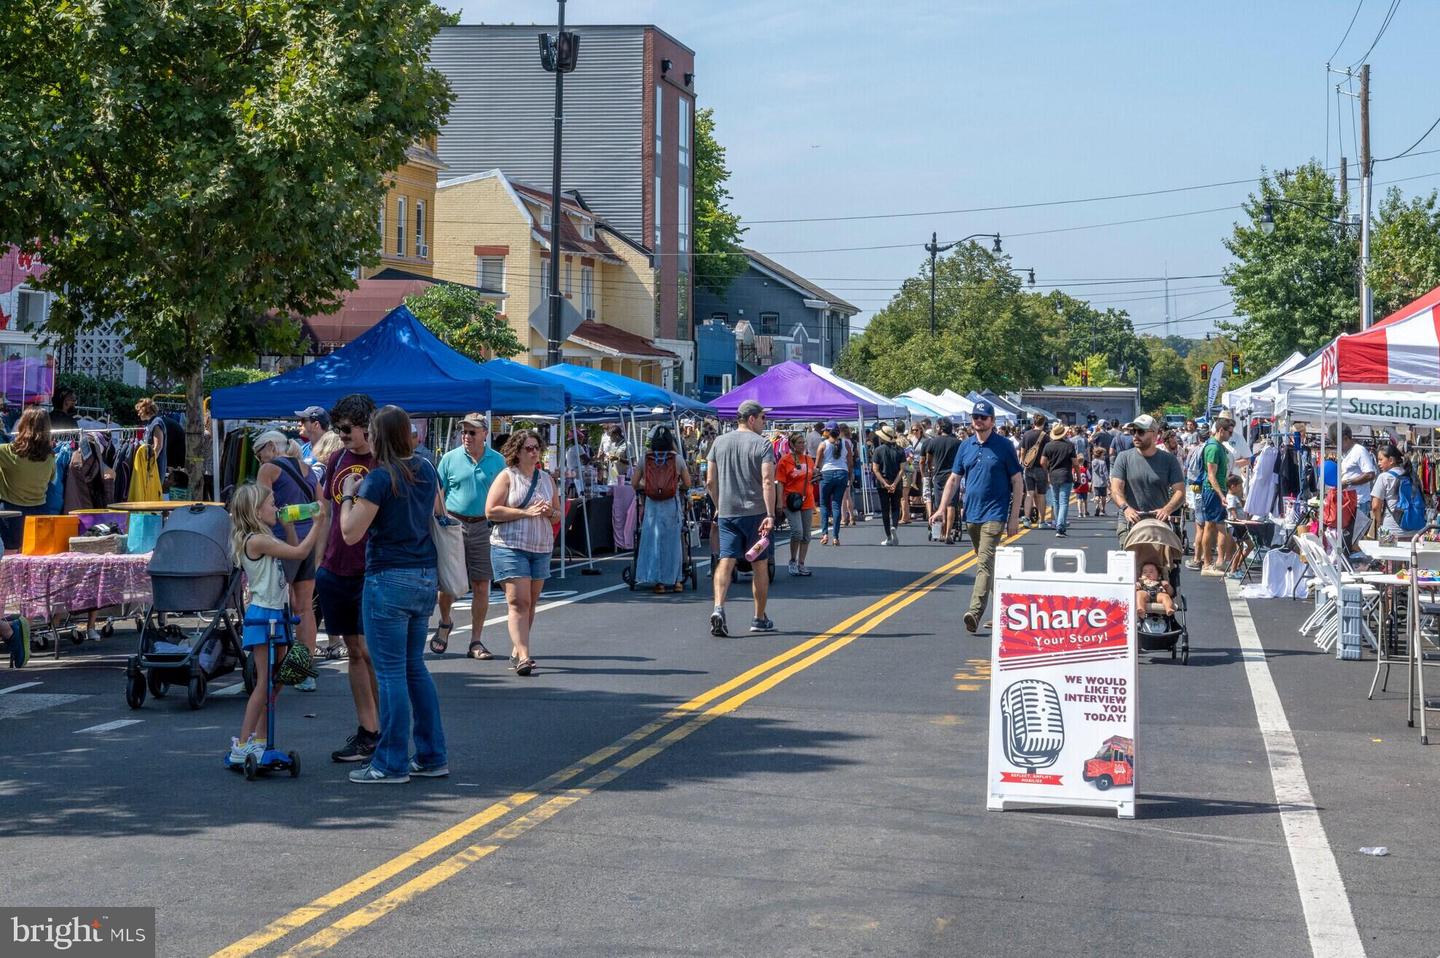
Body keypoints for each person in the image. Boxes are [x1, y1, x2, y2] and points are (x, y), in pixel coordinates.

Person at [339, 404, 448, 783]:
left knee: (390, 675)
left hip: (388, 575)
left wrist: (349, 497)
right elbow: (440, 512)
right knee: (414, 667)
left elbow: (351, 532)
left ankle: (390, 762)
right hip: (424, 574)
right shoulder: (427, 469)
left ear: (377, 436)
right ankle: (432, 755)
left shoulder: (379, 478)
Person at [227, 482, 320, 766]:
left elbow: (292, 551)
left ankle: (260, 739)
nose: (276, 508)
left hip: (276, 616)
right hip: (263, 616)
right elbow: (301, 553)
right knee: (264, 682)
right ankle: (242, 743)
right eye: (271, 504)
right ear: (255, 511)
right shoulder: (255, 540)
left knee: (277, 682)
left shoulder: (265, 537)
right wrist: (319, 522)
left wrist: (289, 523)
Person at [317, 394, 382, 764]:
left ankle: (383, 728)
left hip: (371, 568)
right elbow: (325, 513)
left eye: (346, 428)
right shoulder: (336, 458)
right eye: (337, 427)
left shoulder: (383, 461)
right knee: (354, 653)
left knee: (372, 653)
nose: (340, 434)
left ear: (366, 426)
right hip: (335, 568)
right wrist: (318, 566)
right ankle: (368, 730)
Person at [929, 401, 1022, 635]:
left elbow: (1018, 482)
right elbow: (953, 479)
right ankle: (1009, 610)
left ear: (992, 421)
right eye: (975, 417)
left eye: (983, 417)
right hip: (971, 514)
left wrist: (1014, 517)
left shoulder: (1004, 446)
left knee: (984, 563)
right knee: (988, 566)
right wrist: (941, 508)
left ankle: (975, 612)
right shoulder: (965, 446)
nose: (978, 420)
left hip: (995, 513)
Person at [485, 429, 560, 677]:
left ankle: (519, 648)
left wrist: (550, 512)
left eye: (536, 447)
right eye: (528, 448)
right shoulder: (507, 476)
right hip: (510, 546)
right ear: (516, 452)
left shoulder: (547, 479)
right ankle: (525, 656)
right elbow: (491, 511)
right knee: (519, 602)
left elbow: (559, 514)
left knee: (531, 602)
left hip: (540, 547)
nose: (534, 452)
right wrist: (525, 512)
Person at [433, 413, 505, 659]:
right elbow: (437, 492)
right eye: (464, 432)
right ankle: (444, 622)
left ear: (485, 434)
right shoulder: (450, 459)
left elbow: (506, 492)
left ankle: (476, 640)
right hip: (453, 524)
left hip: (484, 526)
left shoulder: (498, 461)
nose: (466, 436)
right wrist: (440, 519)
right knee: (448, 583)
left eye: (472, 432)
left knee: (481, 584)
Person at [254, 430, 320, 689]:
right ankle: (303, 672)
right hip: (308, 542)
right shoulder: (308, 469)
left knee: (275, 605)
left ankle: (274, 668)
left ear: (270, 447)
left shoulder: (269, 469)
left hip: (280, 543)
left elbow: (259, 508)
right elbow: (322, 504)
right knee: (305, 608)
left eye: (260, 455)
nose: (260, 462)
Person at [706, 399, 777, 636]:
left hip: (727, 512)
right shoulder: (763, 445)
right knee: (759, 565)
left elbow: (709, 481)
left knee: (726, 560)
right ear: (751, 419)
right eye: (763, 418)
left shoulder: (718, 442)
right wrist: (770, 513)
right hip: (755, 513)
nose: (764, 423)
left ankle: (718, 607)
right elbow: (767, 481)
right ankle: (758, 617)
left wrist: (718, 504)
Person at [1109, 414, 1185, 545]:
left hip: (1158, 523)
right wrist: (1126, 508)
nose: (1135, 435)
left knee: (1160, 563)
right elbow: (1116, 489)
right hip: (1130, 522)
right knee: (1131, 561)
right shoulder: (1123, 458)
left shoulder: (1169, 460)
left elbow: (1180, 492)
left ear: (1155, 435)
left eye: (1141, 431)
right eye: (1133, 431)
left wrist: (1167, 509)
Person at [634, 425, 691, 592]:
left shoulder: (645, 458)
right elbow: (687, 483)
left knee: (654, 541)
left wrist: (649, 486)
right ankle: (677, 580)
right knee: (673, 543)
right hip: (671, 505)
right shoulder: (677, 459)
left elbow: (634, 483)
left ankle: (658, 581)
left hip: (652, 506)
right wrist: (674, 485)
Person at [0, 408, 56, 550]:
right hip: (40, 513)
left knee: (9, 562)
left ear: (22, 424)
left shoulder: (7, 452)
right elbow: (52, 478)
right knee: (35, 561)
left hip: (11, 513)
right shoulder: (50, 456)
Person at [1189, 415, 1234, 576]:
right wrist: (1221, 494)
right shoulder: (1213, 448)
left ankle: (1214, 562)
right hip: (1212, 491)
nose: (1231, 435)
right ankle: (1210, 563)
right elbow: (1211, 475)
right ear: (1221, 430)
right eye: (1229, 432)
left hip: (1214, 491)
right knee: (1216, 527)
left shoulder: (1218, 446)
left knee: (1214, 526)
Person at [775, 429, 815, 576]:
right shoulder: (785, 460)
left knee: (806, 535)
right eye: (799, 442)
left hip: (807, 500)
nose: (802, 445)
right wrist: (779, 502)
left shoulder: (808, 459)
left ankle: (802, 563)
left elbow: (811, 475)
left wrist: (817, 475)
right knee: (797, 532)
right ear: (792, 445)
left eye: (803, 442)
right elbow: (780, 482)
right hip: (791, 501)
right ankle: (792, 560)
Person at [1336, 424, 1378, 549]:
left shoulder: (1359, 451)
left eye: (1338, 442)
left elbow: (1370, 474)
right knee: (1347, 542)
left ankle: (1357, 566)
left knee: (1354, 542)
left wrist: (1348, 482)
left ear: (1345, 438)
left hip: (1359, 503)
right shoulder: (1346, 453)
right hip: (1348, 503)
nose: (1337, 446)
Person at [1225, 474, 1274, 578]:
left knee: (1250, 545)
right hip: (1236, 526)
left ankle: (1237, 566)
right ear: (1233, 486)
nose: (1241, 488)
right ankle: (1232, 570)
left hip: (1241, 525)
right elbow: (1232, 510)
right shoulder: (1231, 498)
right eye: (1240, 486)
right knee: (1240, 547)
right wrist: (1237, 518)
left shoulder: (1236, 497)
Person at [924, 417, 961, 542]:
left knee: (941, 505)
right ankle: (948, 533)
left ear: (940, 428)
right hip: (953, 475)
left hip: (939, 475)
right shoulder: (957, 442)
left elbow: (928, 460)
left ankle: (942, 532)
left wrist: (930, 469)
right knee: (951, 505)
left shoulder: (933, 442)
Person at [871, 425, 906, 546]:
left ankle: (888, 536)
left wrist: (885, 483)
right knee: (896, 507)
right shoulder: (900, 450)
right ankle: (894, 526)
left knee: (885, 510)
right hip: (897, 483)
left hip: (883, 483)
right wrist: (895, 483)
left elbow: (875, 469)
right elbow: (902, 469)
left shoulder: (878, 450)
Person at [1040, 422, 1076, 537]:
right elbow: (1075, 463)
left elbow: (1042, 462)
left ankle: (1058, 525)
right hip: (1066, 475)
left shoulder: (1048, 446)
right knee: (1064, 501)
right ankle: (1061, 527)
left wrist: (1048, 471)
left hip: (1053, 475)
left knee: (1056, 501)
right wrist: (1078, 476)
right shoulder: (1069, 445)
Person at [816, 421, 849, 547]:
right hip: (842, 473)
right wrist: (849, 475)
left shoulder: (823, 444)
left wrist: (815, 472)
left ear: (828, 431)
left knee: (824, 504)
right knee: (836, 505)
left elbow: (817, 464)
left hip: (827, 474)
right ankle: (836, 536)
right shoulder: (845, 443)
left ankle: (825, 534)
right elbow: (850, 461)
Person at [1369, 443, 1410, 541]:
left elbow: (1375, 506)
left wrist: (1379, 523)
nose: (1378, 463)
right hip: (1414, 530)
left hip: (1390, 530)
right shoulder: (1410, 475)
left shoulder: (1384, 477)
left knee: (1387, 556)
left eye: (1381, 459)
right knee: (1410, 556)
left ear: (1391, 460)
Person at [1018, 414, 1048, 527]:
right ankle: (1042, 521)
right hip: (1041, 468)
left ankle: (1026, 518)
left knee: (1029, 494)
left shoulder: (1026, 435)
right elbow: (1047, 455)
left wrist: (1024, 463)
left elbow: (1022, 451)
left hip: (1028, 467)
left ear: (1033, 422)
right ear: (1043, 423)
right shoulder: (1045, 436)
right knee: (1041, 494)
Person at [134, 398, 168, 479]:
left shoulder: (156, 422)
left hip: (155, 469)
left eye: (139, 411)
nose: (138, 414)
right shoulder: (150, 423)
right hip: (152, 468)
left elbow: (158, 447)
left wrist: (149, 466)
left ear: (146, 409)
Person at [295, 405, 330, 482]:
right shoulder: (301, 450)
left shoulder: (334, 449)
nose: (299, 423)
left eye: (303, 420)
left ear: (316, 425)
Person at [1090, 447, 1110, 517]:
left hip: (1095, 481)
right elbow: (1105, 472)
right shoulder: (1103, 462)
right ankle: (1103, 510)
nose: (1103, 456)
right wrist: (1108, 480)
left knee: (1096, 495)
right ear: (1100, 454)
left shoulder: (1093, 462)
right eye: (1103, 454)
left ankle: (1097, 506)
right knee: (1104, 496)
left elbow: (1092, 472)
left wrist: (1091, 480)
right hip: (1102, 482)